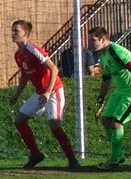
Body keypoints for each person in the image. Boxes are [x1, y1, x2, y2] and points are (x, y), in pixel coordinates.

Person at [9, 19, 80, 169]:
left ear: (25, 33)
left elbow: (54, 68)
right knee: (19, 120)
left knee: (54, 124)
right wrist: (17, 94)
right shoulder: (18, 55)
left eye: (16, 31)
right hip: (40, 93)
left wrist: (48, 92)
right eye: (12, 30)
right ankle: (36, 154)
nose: (13, 33)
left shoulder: (33, 49)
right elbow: (24, 75)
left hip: (53, 91)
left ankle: (73, 159)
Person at [88, 26, 131, 170]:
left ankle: (114, 160)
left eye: (92, 40)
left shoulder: (116, 51)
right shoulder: (103, 55)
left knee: (116, 123)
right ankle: (118, 154)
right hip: (121, 90)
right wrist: (100, 99)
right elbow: (106, 79)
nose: (89, 43)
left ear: (103, 40)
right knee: (106, 120)